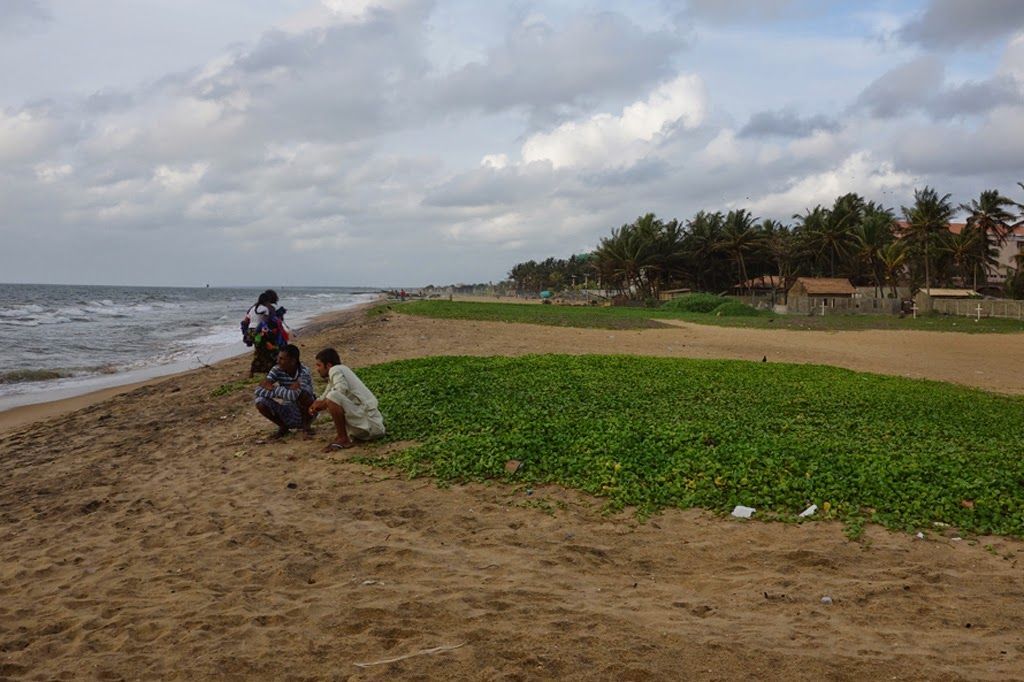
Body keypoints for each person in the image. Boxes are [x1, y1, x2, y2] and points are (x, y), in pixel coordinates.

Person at [309, 347, 385, 452]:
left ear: (329, 365)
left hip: (371, 426)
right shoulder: (339, 371)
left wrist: (322, 404)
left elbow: (339, 390)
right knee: (330, 396)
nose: (317, 369)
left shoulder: (335, 369)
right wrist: (315, 404)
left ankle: (343, 438)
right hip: (371, 426)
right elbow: (325, 394)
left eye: (319, 365)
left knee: (332, 396)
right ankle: (342, 437)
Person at [254, 344, 315, 440]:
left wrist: (274, 389)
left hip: (307, 412)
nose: (277, 361)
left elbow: (295, 395)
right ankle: (283, 427)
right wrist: (282, 391)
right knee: (260, 401)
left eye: (282, 359)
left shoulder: (304, 372)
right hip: (288, 409)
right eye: (278, 358)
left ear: (293, 361)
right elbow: (258, 391)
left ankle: (306, 427)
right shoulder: (277, 369)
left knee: (304, 395)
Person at [241, 289, 289, 377]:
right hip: (262, 333)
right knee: (270, 350)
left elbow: (245, 320)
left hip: (251, 332)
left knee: (259, 351)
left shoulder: (253, 307)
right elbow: (268, 322)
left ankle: (254, 371)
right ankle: (269, 371)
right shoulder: (268, 308)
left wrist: (247, 333)